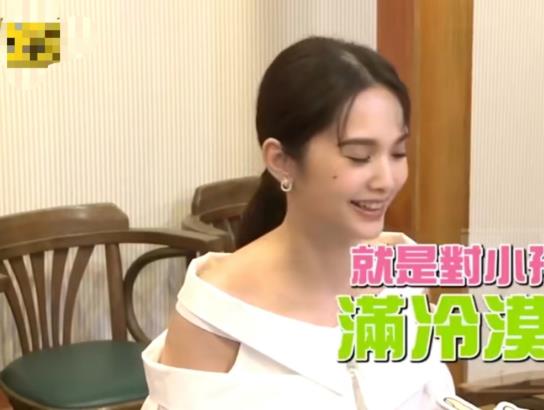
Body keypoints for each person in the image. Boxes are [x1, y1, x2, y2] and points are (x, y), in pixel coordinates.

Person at [140, 36, 456, 409]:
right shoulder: (214, 311)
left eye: (398, 152)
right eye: (359, 155)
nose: (386, 180)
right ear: (281, 160)